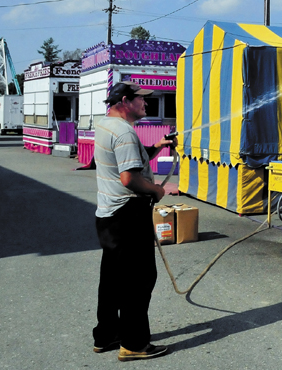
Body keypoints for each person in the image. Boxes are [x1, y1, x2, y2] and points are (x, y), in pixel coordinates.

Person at [91, 81, 177, 362]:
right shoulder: (126, 133)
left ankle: (106, 335)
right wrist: (158, 190)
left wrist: (157, 147)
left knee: (112, 279)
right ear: (125, 101)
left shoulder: (106, 125)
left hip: (108, 216)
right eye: (141, 100)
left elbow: (127, 163)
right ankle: (135, 344)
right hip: (128, 216)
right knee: (139, 280)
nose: (147, 104)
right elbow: (129, 179)